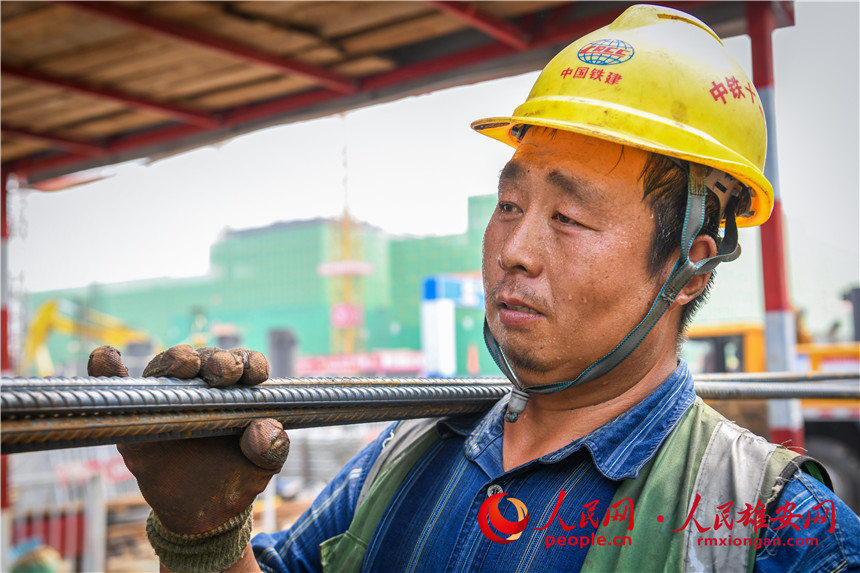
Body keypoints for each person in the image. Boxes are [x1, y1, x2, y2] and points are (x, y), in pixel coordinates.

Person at [89, 5, 860, 572]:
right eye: (510, 204)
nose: (512, 251)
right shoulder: (405, 453)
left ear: (688, 265)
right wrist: (204, 538)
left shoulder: (775, 530)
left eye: (570, 217)